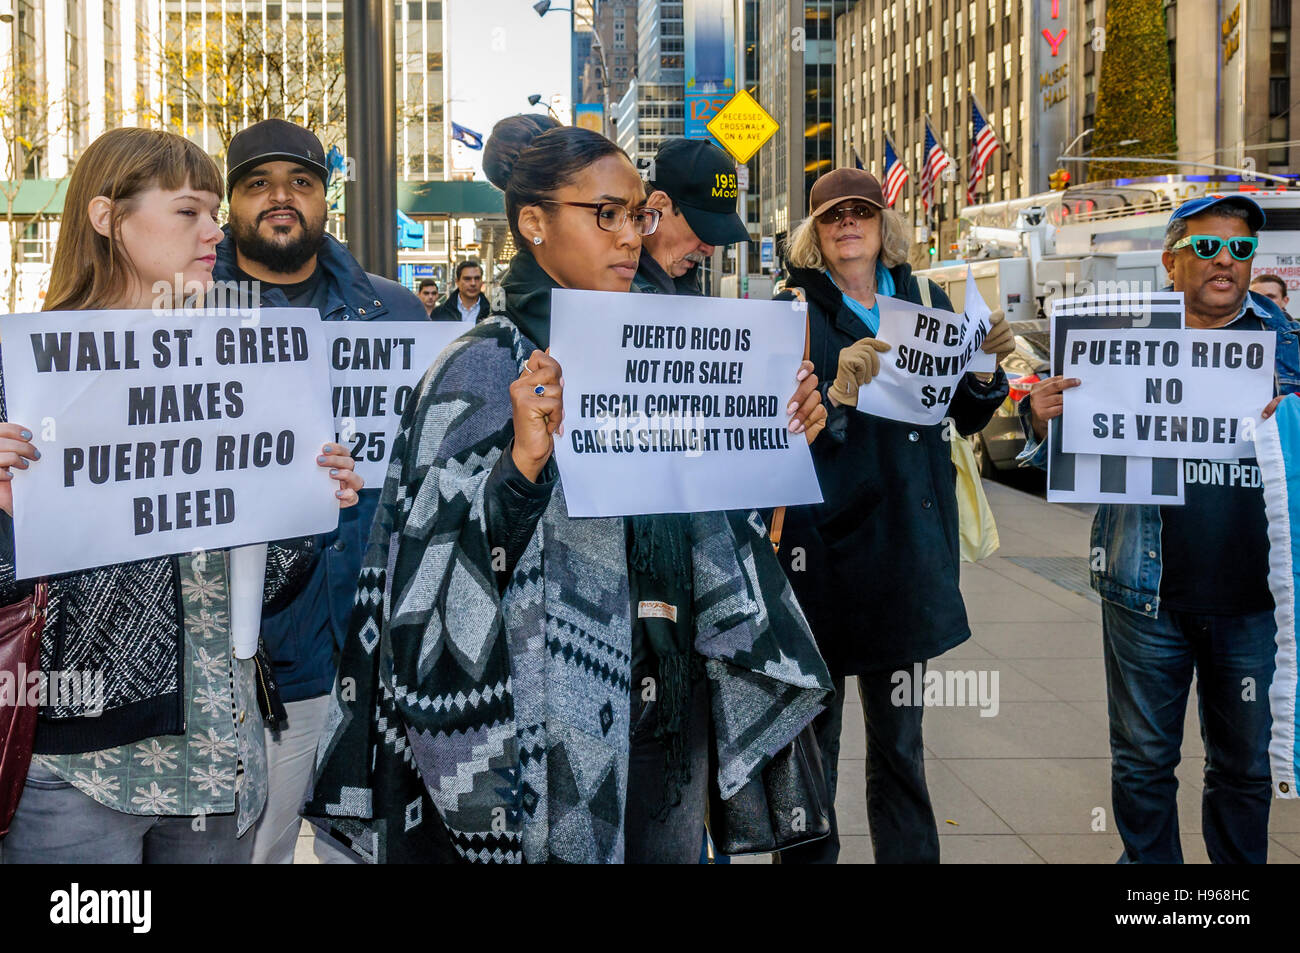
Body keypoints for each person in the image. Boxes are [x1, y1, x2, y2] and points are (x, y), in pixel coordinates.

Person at [304, 114, 832, 864]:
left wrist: (777, 441)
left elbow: (708, 525)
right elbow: (426, 581)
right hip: (533, 734)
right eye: (605, 214)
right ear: (534, 224)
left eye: (638, 214)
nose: (630, 236)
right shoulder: (478, 366)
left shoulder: (670, 346)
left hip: (670, 709)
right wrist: (521, 465)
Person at [0, 127, 361, 864]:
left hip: (222, 749)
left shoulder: (242, 360)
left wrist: (309, 504)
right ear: (107, 218)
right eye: (189, 211)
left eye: (213, 214)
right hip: (78, 767)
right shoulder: (22, 370)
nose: (215, 229)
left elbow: (265, 582)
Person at [1021, 194, 1300, 864]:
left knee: (1244, 768)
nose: (1226, 260)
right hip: (1146, 593)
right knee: (1143, 764)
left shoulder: (1286, 342)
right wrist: (1039, 417)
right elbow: (1068, 446)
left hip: (1256, 600)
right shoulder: (1119, 339)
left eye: (1240, 248)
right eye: (1208, 247)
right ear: (1173, 263)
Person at [772, 167, 1012, 864]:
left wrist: (986, 379)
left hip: (907, 549)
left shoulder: (926, 298)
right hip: (821, 557)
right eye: (832, 216)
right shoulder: (794, 308)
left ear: (883, 224)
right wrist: (837, 399)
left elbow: (962, 415)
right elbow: (779, 430)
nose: (849, 224)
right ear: (813, 233)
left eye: (862, 213)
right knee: (813, 748)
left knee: (902, 747)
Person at [211, 117, 426, 865]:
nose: (281, 198)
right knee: (253, 852)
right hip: (261, 663)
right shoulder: (182, 313)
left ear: (325, 199)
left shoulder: (395, 313)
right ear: (229, 203)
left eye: (301, 182)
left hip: (375, 655)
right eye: (258, 184)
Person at [634, 138, 750, 296]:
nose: (709, 250)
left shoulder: (684, 284)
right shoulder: (607, 281)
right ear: (659, 206)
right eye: (702, 229)